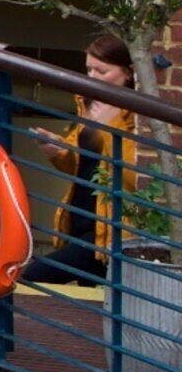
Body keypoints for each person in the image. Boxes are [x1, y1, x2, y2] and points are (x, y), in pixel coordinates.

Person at [31, 33, 151, 285]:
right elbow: (81, 164)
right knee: (90, 306)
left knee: (33, 276)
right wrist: (58, 150)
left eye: (102, 71)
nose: (92, 78)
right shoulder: (89, 106)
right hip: (80, 220)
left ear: (128, 73)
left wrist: (110, 126)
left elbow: (133, 175)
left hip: (107, 232)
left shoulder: (136, 117)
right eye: (89, 70)